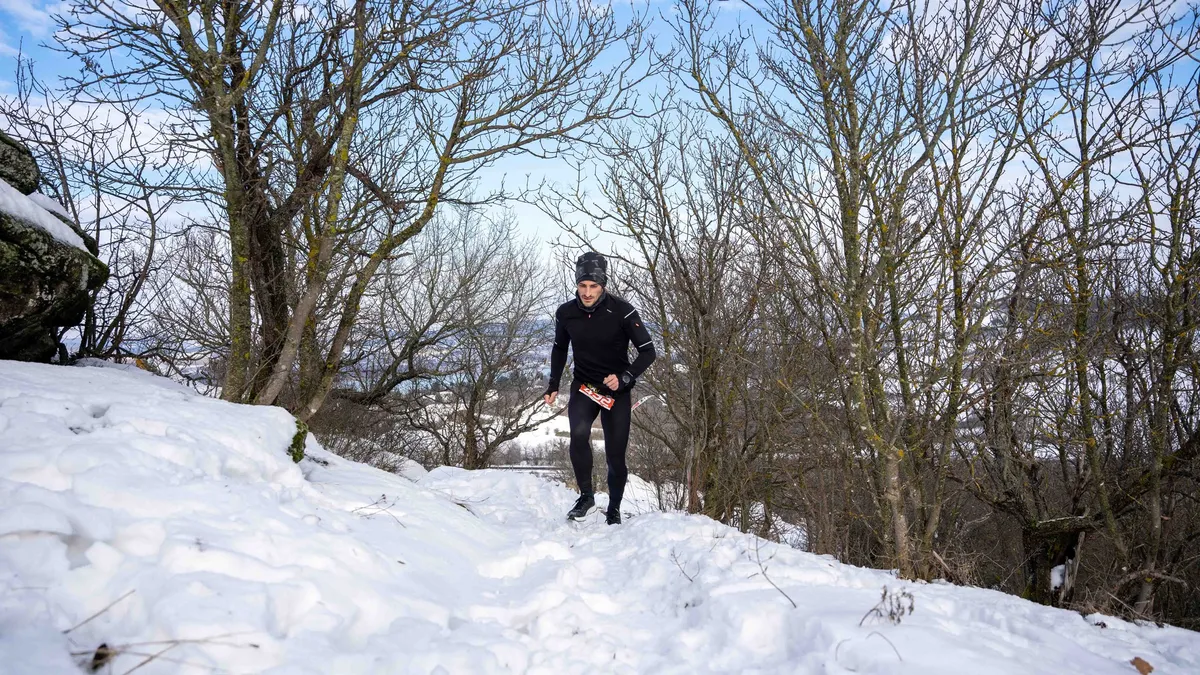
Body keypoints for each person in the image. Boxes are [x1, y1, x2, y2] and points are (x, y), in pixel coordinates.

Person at [543, 252, 656, 525]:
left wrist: (625, 377)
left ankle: (614, 509)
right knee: (578, 435)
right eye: (582, 285)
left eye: (593, 286)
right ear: (576, 284)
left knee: (615, 454)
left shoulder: (622, 310)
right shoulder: (566, 313)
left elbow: (648, 352)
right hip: (584, 386)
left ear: (603, 285)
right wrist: (553, 384)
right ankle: (586, 497)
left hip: (616, 391)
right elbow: (560, 348)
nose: (587, 292)